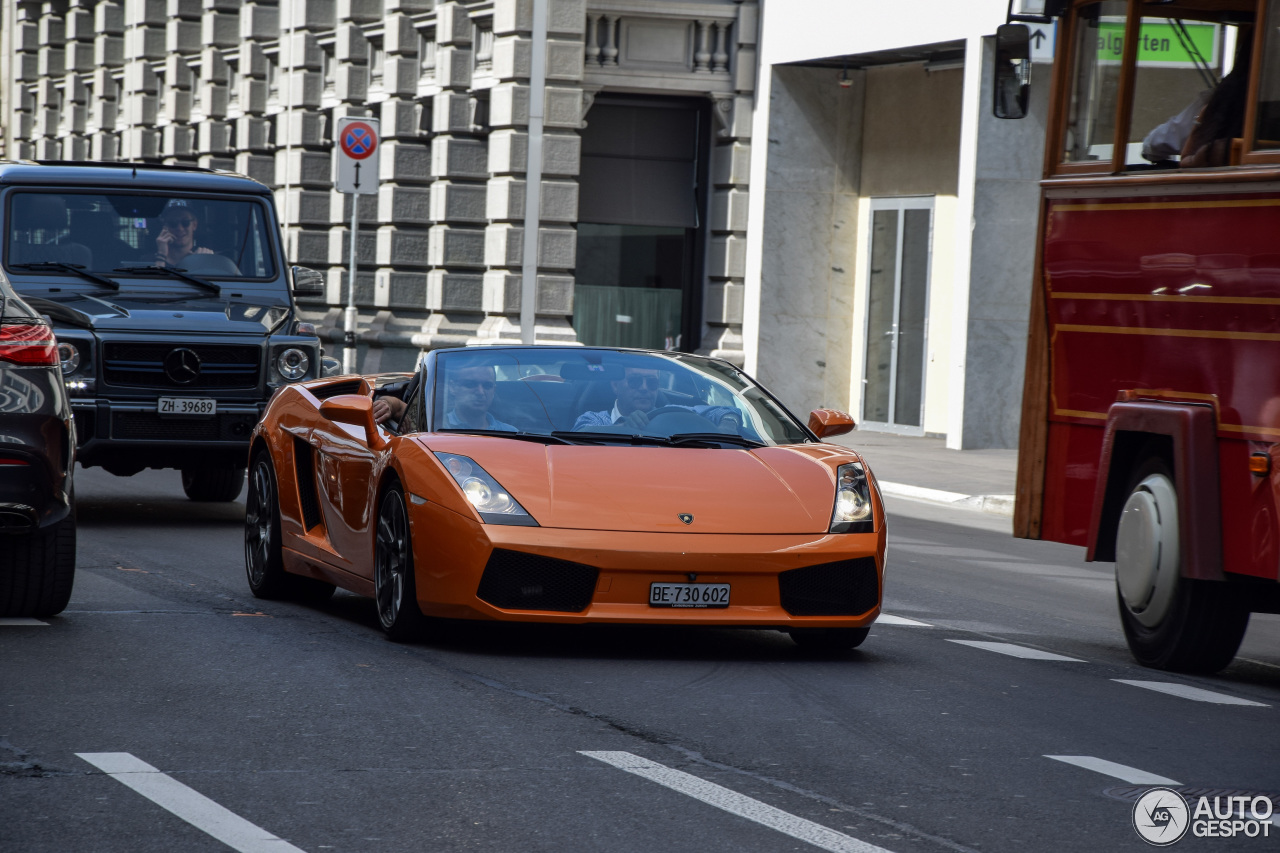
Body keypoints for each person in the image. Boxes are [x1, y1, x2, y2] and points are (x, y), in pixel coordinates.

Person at [573, 365, 742, 431]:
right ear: (615, 386)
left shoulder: (674, 413)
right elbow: (582, 434)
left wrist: (728, 424)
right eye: (635, 381)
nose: (645, 388)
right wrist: (625, 426)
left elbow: (726, 410)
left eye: (652, 383)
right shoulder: (596, 419)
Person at [372, 362, 516, 432]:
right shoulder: (434, 424)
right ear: (453, 388)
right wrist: (386, 404)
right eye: (471, 384)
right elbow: (399, 408)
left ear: (494, 390)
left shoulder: (510, 432)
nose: (480, 391)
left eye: (487, 386)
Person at [154, 200, 215, 267]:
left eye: (185, 222)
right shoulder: (148, 260)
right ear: (165, 227)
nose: (180, 228)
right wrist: (161, 255)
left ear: (194, 225)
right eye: (173, 223)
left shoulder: (203, 257)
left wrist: (206, 261)